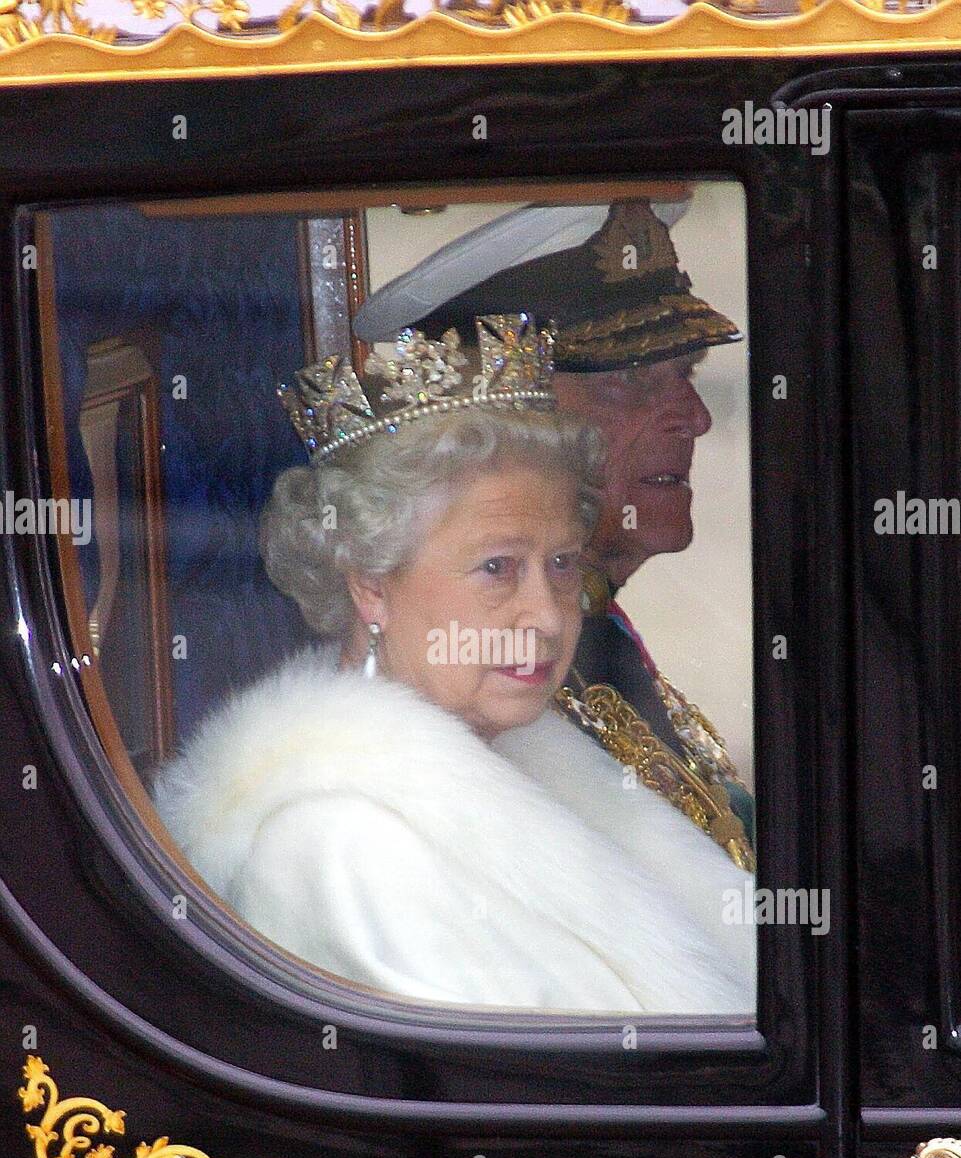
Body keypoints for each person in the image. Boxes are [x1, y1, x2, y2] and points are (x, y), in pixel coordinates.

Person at [151, 315, 755, 1013]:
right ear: (369, 582)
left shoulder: (541, 762)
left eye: (559, 563)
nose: (547, 614)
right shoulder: (336, 849)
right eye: (496, 567)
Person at [353, 195, 756, 865]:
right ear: (509, 429)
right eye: (630, 381)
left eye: (683, 376)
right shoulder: (481, 686)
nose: (691, 418)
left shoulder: (595, 636)